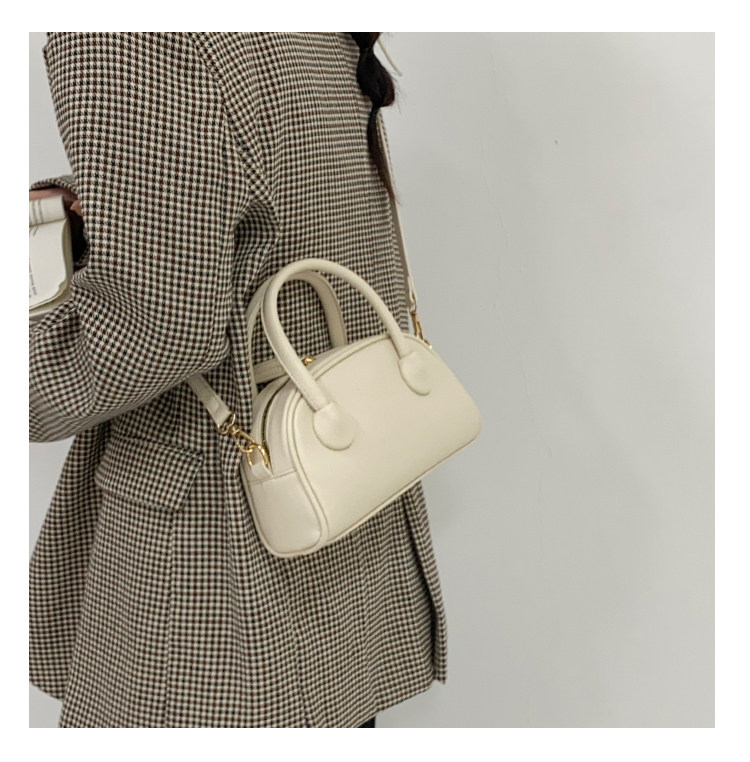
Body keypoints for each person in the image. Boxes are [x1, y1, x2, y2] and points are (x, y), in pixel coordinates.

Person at [29, 32, 447, 728]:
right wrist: (111, 209)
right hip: (341, 507)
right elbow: (283, 199)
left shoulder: (134, 34)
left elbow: (156, 330)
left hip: (219, 560)